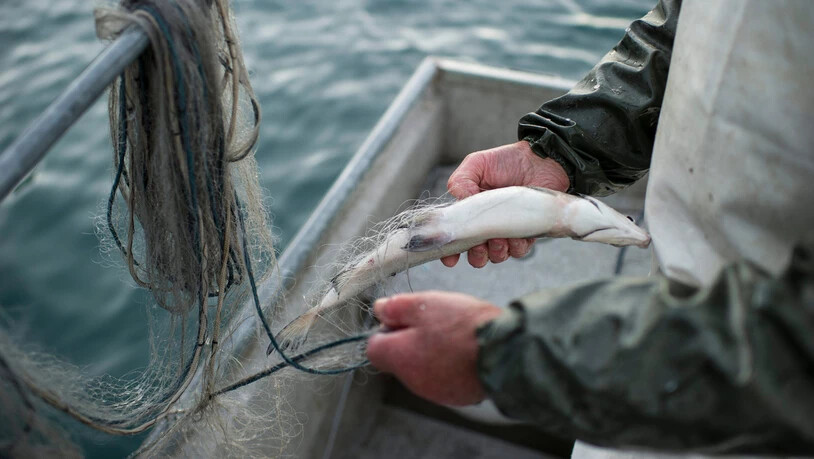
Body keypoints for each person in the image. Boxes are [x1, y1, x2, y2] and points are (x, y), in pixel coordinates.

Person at [366, 0, 814, 455]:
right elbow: (680, 33)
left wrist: (500, 355)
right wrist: (559, 150)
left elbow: (796, 345)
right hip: (662, 324)